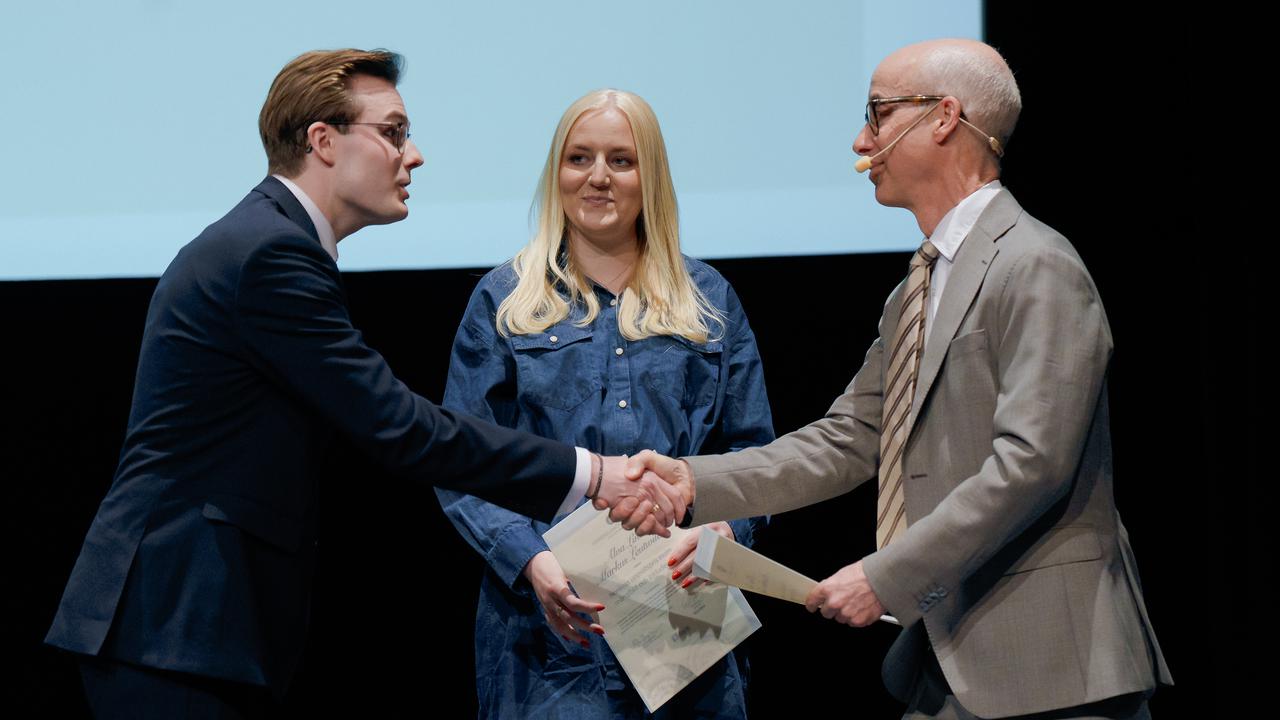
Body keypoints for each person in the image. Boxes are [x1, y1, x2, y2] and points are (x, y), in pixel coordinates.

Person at [45, 49, 682, 718]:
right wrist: (594, 474)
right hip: (175, 624)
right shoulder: (272, 253)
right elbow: (399, 428)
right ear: (323, 140)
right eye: (394, 132)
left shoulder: (268, 240)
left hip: (187, 628)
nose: (414, 156)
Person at [625, 39, 1171, 719]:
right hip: (952, 658)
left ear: (944, 118)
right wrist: (694, 482)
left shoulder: (1036, 265)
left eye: (878, 115)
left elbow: (1032, 464)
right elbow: (849, 439)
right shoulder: (915, 289)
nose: (862, 139)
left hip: (1054, 668)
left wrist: (888, 576)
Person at [435, 89, 774, 718]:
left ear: (651, 177)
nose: (597, 177)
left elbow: (755, 455)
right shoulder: (503, 301)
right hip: (548, 632)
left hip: (682, 614)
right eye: (578, 158)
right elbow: (462, 462)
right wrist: (530, 560)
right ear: (555, 174)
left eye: (621, 160)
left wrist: (727, 531)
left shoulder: (709, 300)